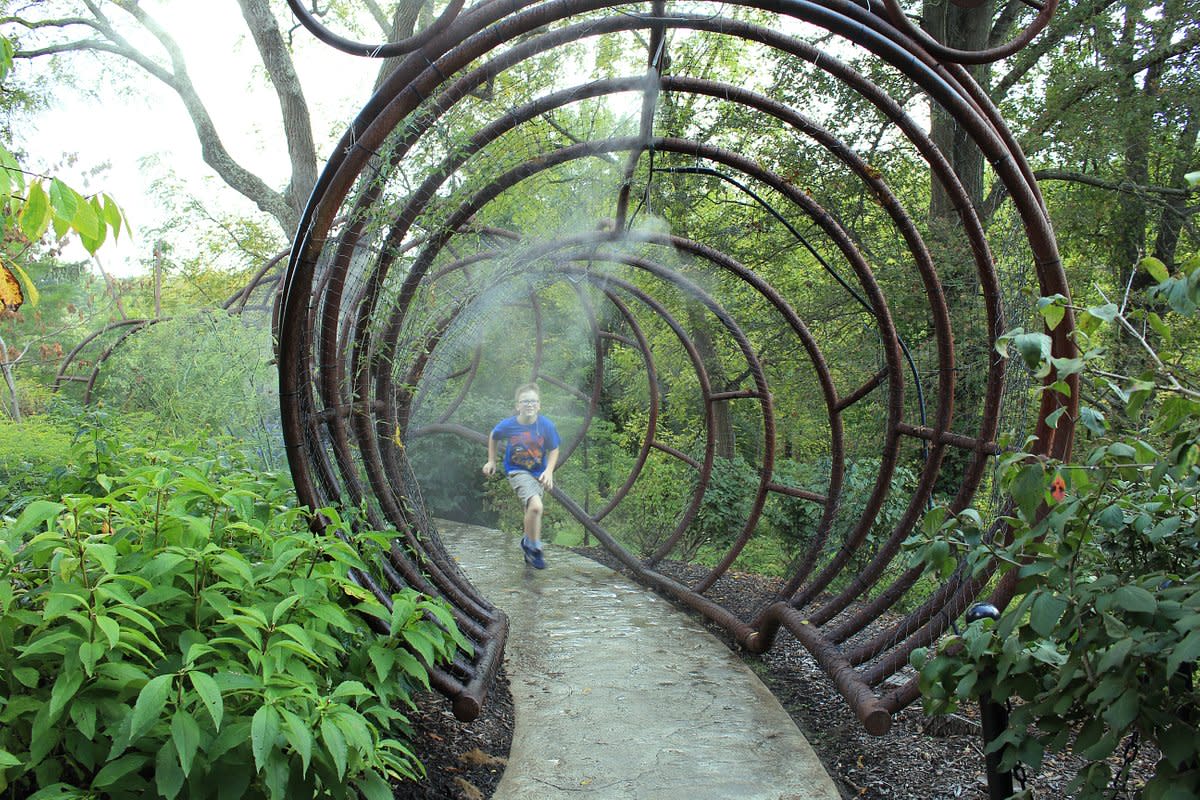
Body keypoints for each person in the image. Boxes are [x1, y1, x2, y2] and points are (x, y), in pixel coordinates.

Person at [482, 383, 560, 569]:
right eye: (525, 401)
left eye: (533, 401)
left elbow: (554, 448)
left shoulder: (546, 425)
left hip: (538, 473)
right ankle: (534, 547)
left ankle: (528, 544)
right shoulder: (510, 424)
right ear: (518, 405)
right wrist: (491, 460)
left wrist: (549, 471)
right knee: (536, 507)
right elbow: (494, 435)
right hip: (516, 470)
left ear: (539, 405)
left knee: (532, 511)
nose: (529, 404)